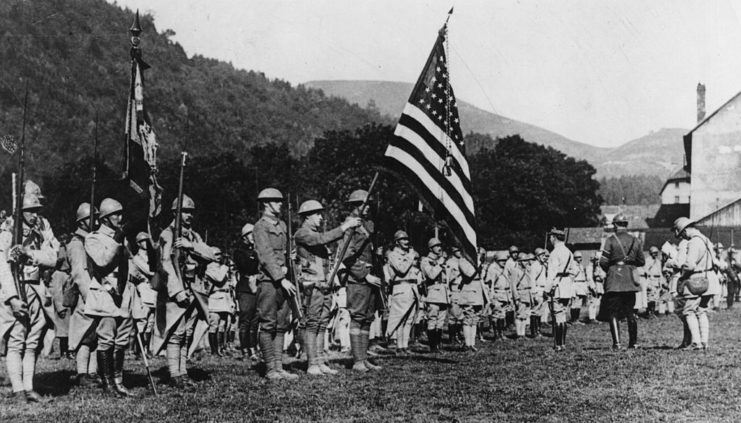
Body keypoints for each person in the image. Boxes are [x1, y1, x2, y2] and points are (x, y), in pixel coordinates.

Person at [154, 194, 217, 388]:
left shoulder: (194, 236)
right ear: (175, 212)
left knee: (188, 332)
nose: (189, 216)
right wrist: (177, 290)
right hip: (177, 289)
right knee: (176, 332)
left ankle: (183, 370)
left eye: (191, 212)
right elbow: (165, 264)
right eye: (185, 212)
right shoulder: (167, 234)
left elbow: (210, 254)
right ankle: (175, 373)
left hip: (194, 289)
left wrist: (191, 246)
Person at [0, 193, 58, 403]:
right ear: (20, 212)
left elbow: (53, 257)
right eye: (30, 211)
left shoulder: (42, 230)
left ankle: (29, 387)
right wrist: (13, 299)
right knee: (16, 340)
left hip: (36, 290)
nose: (34, 215)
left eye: (37, 210)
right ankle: (18, 390)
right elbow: (3, 270)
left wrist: (29, 254)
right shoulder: (7, 233)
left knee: (33, 341)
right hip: (15, 290)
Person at [293, 199, 360, 375]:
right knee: (312, 323)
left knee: (323, 323)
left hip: (324, 285)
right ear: (307, 216)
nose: (321, 218)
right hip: (312, 285)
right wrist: (345, 227)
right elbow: (321, 238)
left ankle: (320, 361)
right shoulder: (302, 233)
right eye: (317, 214)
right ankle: (312, 363)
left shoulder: (315, 236)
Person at [252, 188, 299, 380]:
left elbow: (286, 252)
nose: (279, 204)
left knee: (281, 324)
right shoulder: (260, 226)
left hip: (285, 280)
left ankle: (279, 366)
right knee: (268, 324)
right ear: (266, 204)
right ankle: (270, 367)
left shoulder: (282, 225)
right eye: (276, 201)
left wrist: (291, 259)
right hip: (270, 281)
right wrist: (281, 278)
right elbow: (266, 256)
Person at [338, 189, 382, 372]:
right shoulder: (349, 226)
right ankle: (357, 360)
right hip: (359, 278)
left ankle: (363, 359)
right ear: (355, 206)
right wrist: (365, 274)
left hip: (370, 277)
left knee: (367, 319)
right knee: (357, 318)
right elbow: (345, 255)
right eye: (364, 204)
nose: (368, 207)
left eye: (369, 203)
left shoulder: (368, 224)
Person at [672, 217, 720, 350]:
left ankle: (696, 342)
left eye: (681, 234)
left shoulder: (693, 242)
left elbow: (690, 265)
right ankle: (704, 341)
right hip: (710, 279)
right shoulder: (705, 239)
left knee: (688, 311)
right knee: (701, 310)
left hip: (697, 280)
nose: (683, 237)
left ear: (685, 230)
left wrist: (682, 276)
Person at [597, 214, 645, 349]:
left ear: (615, 225)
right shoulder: (636, 240)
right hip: (630, 280)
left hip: (614, 281)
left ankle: (617, 343)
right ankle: (633, 343)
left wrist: (612, 270)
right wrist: (629, 265)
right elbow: (641, 261)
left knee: (613, 312)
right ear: (626, 224)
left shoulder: (610, 240)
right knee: (630, 312)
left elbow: (603, 262)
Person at [67, 203, 99, 387]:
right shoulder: (77, 243)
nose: (94, 221)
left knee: (95, 334)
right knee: (84, 335)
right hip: (83, 295)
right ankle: (82, 373)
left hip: (94, 292)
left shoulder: (90, 239)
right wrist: (90, 296)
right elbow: (80, 273)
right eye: (91, 218)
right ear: (83, 221)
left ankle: (92, 372)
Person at [386, 230, 421, 355]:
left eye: (407, 239)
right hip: (401, 288)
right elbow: (402, 269)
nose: (406, 242)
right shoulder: (393, 255)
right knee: (400, 319)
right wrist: (411, 256)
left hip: (411, 288)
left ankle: (405, 346)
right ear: (397, 242)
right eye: (403, 239)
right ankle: (399, 347)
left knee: (409, 319)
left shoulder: (408, 254)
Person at [544, 228, 577, 352]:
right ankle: (562, 343)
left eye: (551, 238)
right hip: (566, 286)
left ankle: (558, 344)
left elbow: (551, 273)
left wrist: (547, 289)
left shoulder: (554, 253)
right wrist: (568, 281)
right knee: (562, 315)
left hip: (556, 286)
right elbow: (574, 271)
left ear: (554, 238)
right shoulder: (569, 252)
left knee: (557, 315)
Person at [233, 223, 260, 362]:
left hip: (257, 286)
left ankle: (253, 348)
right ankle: (244, 349)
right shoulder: (239, 252)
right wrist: (256, 255)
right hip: (245, 288)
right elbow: (247, 266)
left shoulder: (257, 251)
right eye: (250, 234)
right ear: (244, 237)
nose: (253, 236)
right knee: (246, 319)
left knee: (255, 320)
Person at [129, 232, 157, 360]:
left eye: (147, 240)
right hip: (143, 289)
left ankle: (146, 349)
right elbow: (150, 271)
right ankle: (137, 350)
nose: (146, 243)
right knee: (142, 320)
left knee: (150, 322)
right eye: (143, 241)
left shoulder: (152, 256)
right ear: (138, 243)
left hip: (153, 290)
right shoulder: (137, 258)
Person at [421, 237, 448, 352]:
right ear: (431, 248)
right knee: (432, 319)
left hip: (443, 293)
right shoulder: (426, 261)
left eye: (440, 246)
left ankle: (438, 344)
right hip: (433, 293)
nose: (439, 248)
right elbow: (431, 275)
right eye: (436, 246)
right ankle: (433, 346)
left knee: (441, 321)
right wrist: (439, 265)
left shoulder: (440, 260)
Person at [457, 248, 486, 351]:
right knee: (468, 317)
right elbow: (469, 274)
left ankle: (472, 343)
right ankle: (467, 343)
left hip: (477, 289)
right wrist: (477, 262)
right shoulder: (463, 261)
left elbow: (482, 275)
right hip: (469, 290)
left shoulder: (475, 261)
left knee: (475, 318)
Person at [206, 247, 230, 357]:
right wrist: (225, 266)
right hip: (214, 298)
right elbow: (219, 278)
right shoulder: (209, 268)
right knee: (214, 325)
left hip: (224, 297)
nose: (219, 257)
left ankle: (221, 348)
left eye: (220, 254)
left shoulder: (221, 267)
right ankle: (214, 351)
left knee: (223, 325)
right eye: (216, 254)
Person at [486, 251, 510, 341]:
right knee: (496, 315)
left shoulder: (504, 269)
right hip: (496, 293)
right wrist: (491, 297)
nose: (503, 262)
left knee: (502, 315)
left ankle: (501, 334)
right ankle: (496, 335)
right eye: (501, 260)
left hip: (504, 293)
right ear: (496, 260)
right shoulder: (493, 269)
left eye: (505, 260)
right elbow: (490, 284)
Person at [510, 253, 535, 339]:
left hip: (527, 294)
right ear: (519, 262)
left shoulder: (527, 270)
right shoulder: (515, 271)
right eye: (524, 261)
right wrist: (516, 297)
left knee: (525, 315)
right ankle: (518, 334)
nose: (526, 262)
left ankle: (523, 333)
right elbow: (513, 285)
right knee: (519, 315)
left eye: (527, 261)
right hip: (520, 294)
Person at [529, 248, 549, 337]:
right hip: (537, 289)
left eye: (544, 255)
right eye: (542, 255)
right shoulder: (534, 266)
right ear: (537, 256)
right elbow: (532, 280)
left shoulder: (543, 265)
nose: (544, 257)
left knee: (540, 312)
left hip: (543, 289)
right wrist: (533, 293)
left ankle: (538, 330)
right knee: (535, 311)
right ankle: (534, 331)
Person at [642, 246, 663, 317]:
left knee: (656, 297)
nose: (655, 254)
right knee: (650, 296)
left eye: (656, 253)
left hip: (657, 280)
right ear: (651, 253)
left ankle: (653, 311)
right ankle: (648, 312)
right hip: (650, 280)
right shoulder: (647, 260)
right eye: (654, 253)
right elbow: (645, 270)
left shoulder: (658, 261)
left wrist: (661, 281)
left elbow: (660, 272)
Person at [570, 251, 588, 324]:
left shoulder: (580, 266)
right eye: (578, 257)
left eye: (580, 257)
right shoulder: (574, 266)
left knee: (579, 303)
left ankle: (577, 318)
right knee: (574, 302)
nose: (580, 259)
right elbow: (572, 277)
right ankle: (573, 319)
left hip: (581, 284)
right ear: (574, 258)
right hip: (575, 284)